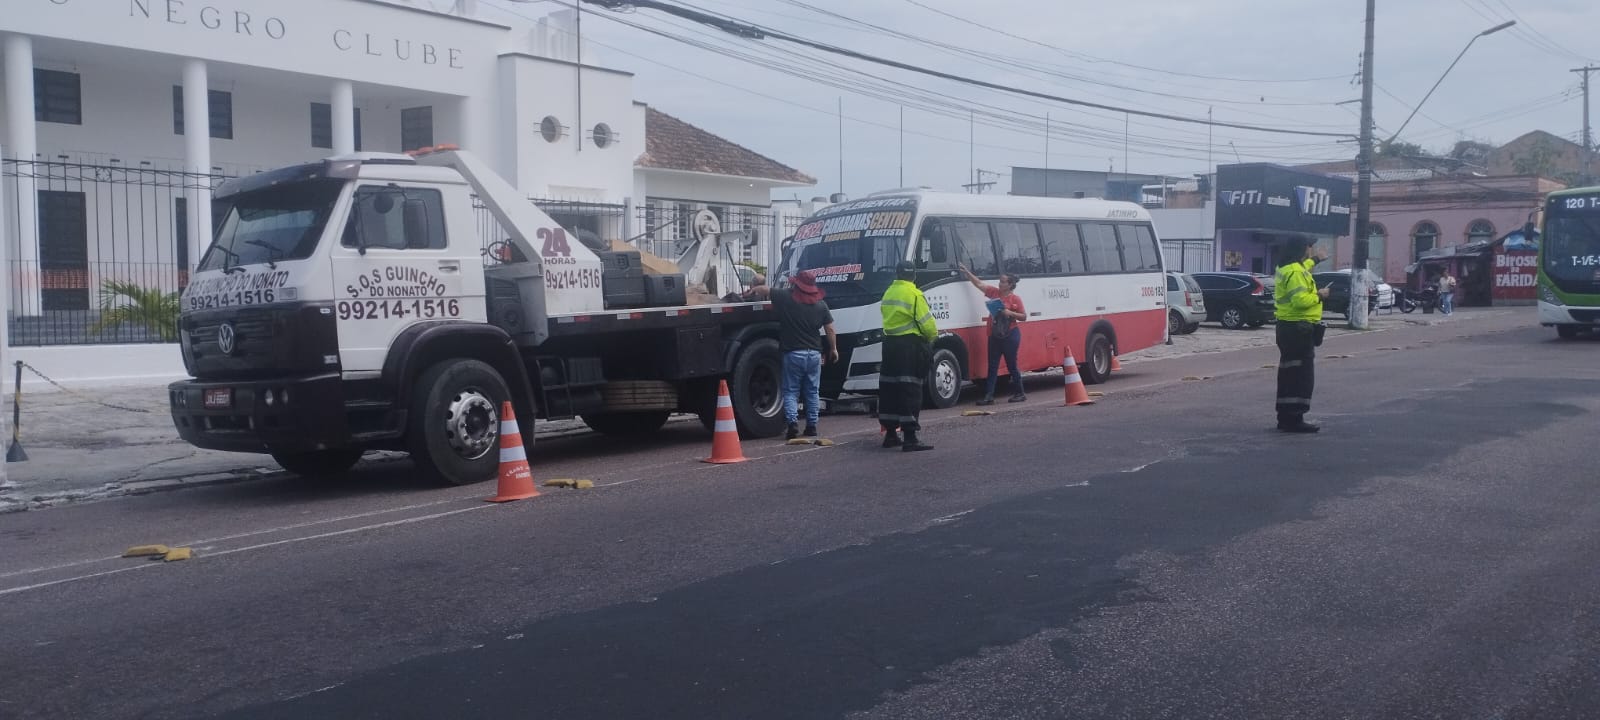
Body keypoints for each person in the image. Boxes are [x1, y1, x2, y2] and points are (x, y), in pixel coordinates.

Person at [770, 271, 837, 440]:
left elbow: (766, 290)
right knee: (812, 391)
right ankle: (812, 426)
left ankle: (792, 424)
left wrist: (754, 288)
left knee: (791, 390)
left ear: (796, 284)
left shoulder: (786, 298)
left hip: (793, 353)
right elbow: (830, 328)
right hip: (814, 354)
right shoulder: (821, 305)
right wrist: (834, 349)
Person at [1273, 237, 1330, 434]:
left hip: (1288, 328)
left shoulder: (1286, 267)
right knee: (1301, 376)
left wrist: (1316, 259)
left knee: (1289, 374)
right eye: (1309, 246)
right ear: (1301, 248)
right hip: (1298, 329)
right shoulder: (1296, 272)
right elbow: (1299, 300)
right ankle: (1295, 417)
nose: (1310, 248)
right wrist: (1320, 295)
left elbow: (1303, 266)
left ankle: (1286, 416)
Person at [879, 262, 938, 452]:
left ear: (897, 274)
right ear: (913, 275)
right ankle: (910, 437)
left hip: (889, 346)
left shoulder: (889, 292)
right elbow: (928, 326)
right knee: (910, 389)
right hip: (909, 347)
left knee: (890, 389)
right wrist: (930, 339)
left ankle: (890, 434)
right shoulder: (914, 294)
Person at [958, 265, 1027, 405]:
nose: (1000, 283)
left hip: (1010, 335)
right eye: (1000, 281)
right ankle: (989, 396)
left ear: (1010, 285)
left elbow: (1024, 317)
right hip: (994, 335)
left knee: (1011, 364)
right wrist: (967, 273)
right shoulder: (994, 293)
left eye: (1003, 282)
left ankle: (1020, 392)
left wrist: (1010, 313)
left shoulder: (1015, 299)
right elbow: (979, 284)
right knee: (993, 366)